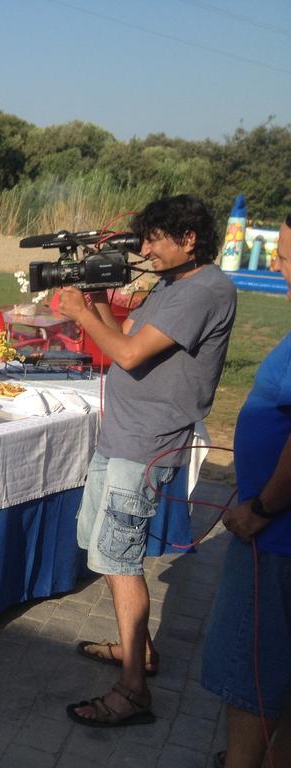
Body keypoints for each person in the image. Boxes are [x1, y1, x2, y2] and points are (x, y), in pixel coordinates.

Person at [61, 195, 237, 727]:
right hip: (121, 435)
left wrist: (77, 314)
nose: (145, 249)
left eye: (156, 238)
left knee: (120, 559)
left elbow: (130, 354)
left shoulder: (206, 289)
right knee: (106, 550)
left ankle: (133, 690)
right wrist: (90, 299)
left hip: (146, 443)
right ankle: (138, 649)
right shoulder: (170, 284)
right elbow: (124, 336)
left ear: (189, 239)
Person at [200, 214, 291, 768]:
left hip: (275, 541)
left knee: (250, 675)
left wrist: (261, 507)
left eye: (285, 254)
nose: (277, 264)